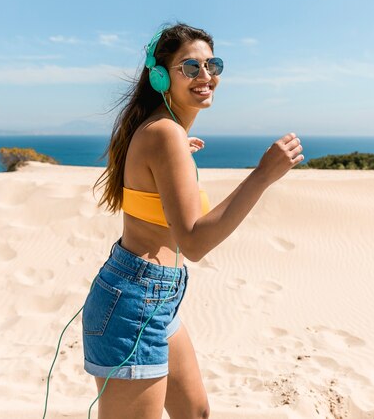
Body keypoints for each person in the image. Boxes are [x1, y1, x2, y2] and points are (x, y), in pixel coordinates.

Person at [83, 23, 304, 419]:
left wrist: (177, 154)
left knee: (195, 412)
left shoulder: (162, 132)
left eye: (211, 65)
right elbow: (195, 242)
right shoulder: (164, 133)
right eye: (191, 67)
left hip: (154, 297)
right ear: (162, 76)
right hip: (135, 299)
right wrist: (263, 174)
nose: (206, 77)